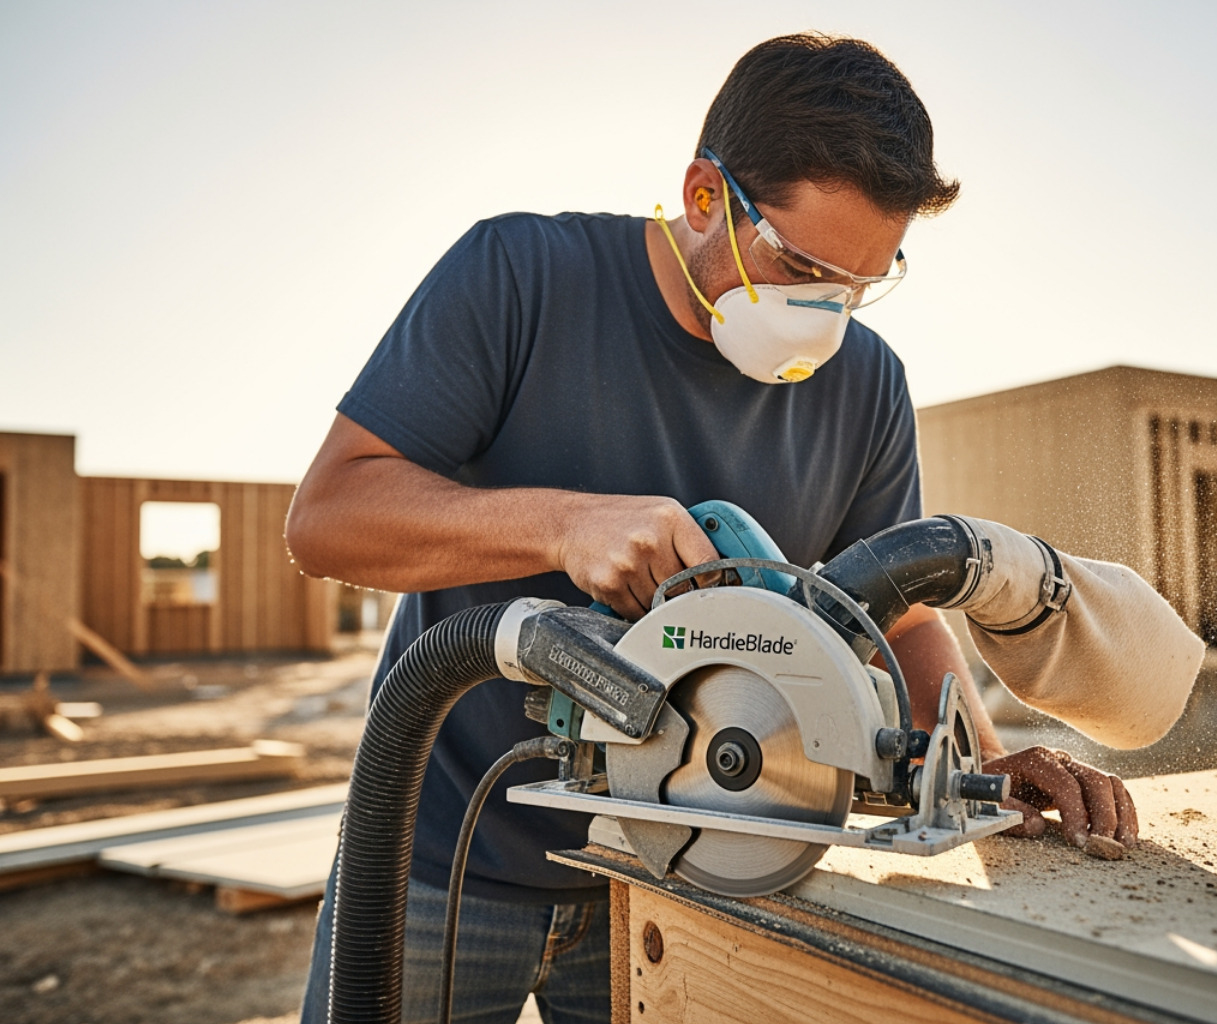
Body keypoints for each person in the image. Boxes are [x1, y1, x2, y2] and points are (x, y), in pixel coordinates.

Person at [287, 33, 1138, 1024]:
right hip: (443, 861)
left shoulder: (867, 384)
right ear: (704, 196)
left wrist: (979, 767)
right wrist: (563, 526)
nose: (825, 314)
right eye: (802, 265)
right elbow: (328, 518)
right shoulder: (520, 274)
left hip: (698, 868)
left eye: (858, 285)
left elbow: (898, 614)